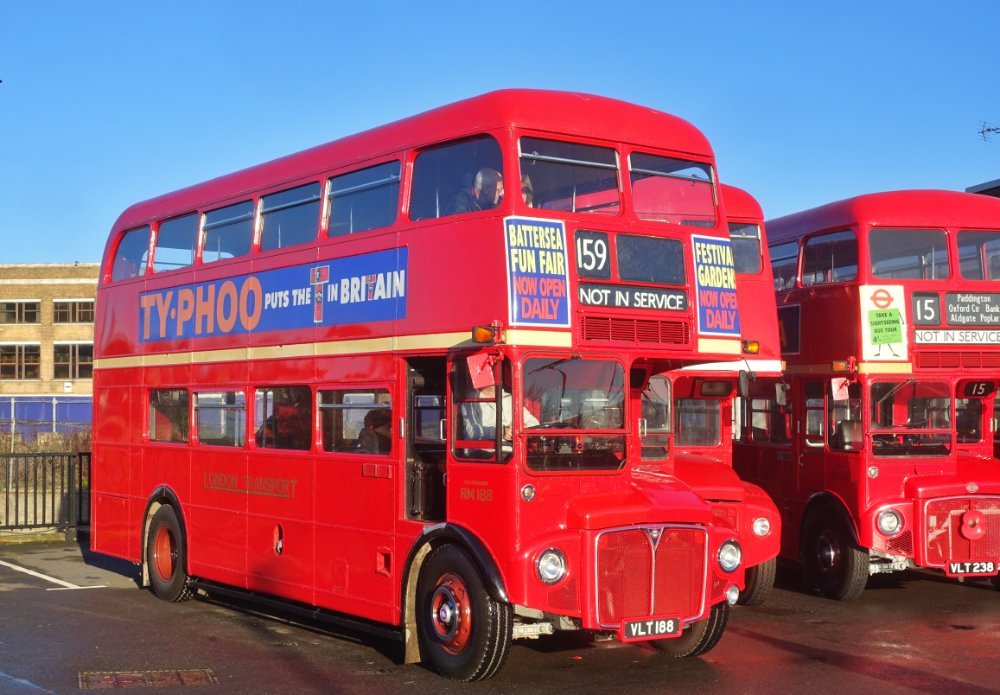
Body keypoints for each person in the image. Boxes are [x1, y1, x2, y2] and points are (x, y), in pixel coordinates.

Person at [461, 383, 539, 442]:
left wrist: (523, 426)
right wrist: (502, 432)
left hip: (511, 451)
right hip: (483, 453)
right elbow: (472, 431)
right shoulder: (470, 401)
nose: (494, 377)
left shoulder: (510, 398)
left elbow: (535, 423)